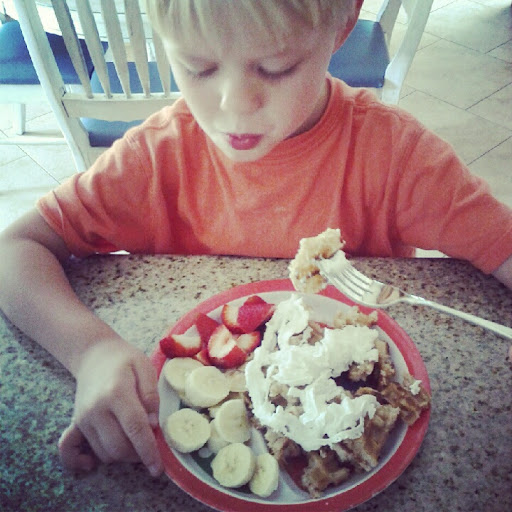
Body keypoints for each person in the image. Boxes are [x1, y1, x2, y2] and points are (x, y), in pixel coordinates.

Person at [1, 0, 511, 480]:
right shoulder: (155, 159)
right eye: (198, 67)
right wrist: (90, 351)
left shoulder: (394, 155)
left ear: (342, 23)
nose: (235, 104)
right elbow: (15, 250)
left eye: (275, 67)